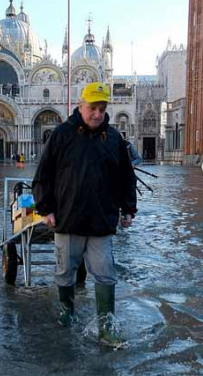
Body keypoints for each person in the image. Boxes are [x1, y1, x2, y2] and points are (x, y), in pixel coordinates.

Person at [32, 82, 137, 344]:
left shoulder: (113, 138)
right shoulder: (62, 134)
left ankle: (105, 328)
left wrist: (128, 209)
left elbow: (127, 177)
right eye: (93, 108)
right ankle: (68, 312)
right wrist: (45, 208)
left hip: (102, 221)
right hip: (68, 219)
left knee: (105, 273)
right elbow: (43, 175)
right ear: (81, 106)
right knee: (65, 271)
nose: (97, 114)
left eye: (102, 109)